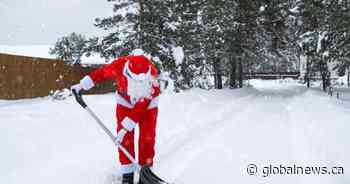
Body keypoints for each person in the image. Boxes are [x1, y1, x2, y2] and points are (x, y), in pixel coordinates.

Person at [71, 50, 160, 184]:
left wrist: (126, 127)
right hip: (124, 101)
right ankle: (127, 174)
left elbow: (141, 108)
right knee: (125, 140)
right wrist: (82, 85)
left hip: (147, 106)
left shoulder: (152, 77)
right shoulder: (120, 65)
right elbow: (101, 73)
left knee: (147, 138)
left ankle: (145, 172)